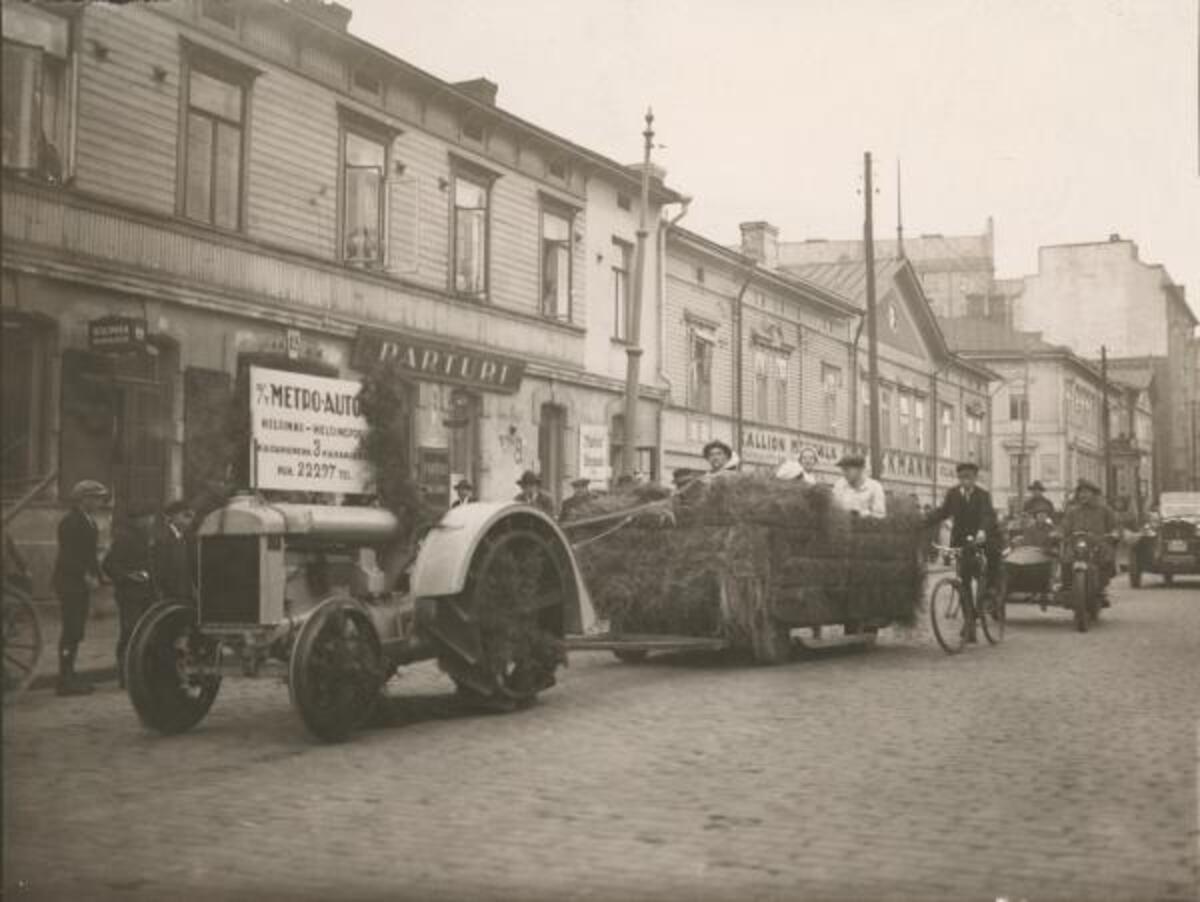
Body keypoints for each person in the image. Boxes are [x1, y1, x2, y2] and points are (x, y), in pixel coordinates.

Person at [924, 461, 1000, 642]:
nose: (966, 481)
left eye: (969, 478)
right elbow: (942, 513)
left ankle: (991, 590)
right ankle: (970, 622)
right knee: (963, 582)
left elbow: (987, 516)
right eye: (962, 478)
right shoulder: (953, 494)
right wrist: (922, 522)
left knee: (992, 557)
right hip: (961, 542)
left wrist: (982, 530)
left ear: (975, 478)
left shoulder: (983, 495)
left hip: (980, 538)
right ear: (958, 478)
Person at [52, 480, 109, 695]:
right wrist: (85, 575)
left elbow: (90, 555)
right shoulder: (70, 522)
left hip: (80, 582)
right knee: (71, 630)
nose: (98, 502)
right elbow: (69, 556)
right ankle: (64, 679)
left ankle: (69, 674)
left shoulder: (89, 522)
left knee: (76, 631)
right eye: (95, 498)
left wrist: (99, 577)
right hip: (69, 583)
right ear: (82, 499)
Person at [103, 505, 158, 688]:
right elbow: (109, 565)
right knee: (130, 632)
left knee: (146, 633)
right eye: (147, 518)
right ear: (137, 520)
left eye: (151, 518)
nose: (150, 522)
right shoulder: (124, 539)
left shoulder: (148, 538)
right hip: (130, 595)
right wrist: (128, 576)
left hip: (147, 594)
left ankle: (141, 673)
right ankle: (125, 675)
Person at [1059, 478, 1119, 593]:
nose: (1083, 495)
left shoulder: (1104, 510)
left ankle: (1102, 585)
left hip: (1097, 543)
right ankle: (1066, 586)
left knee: (1105, 558)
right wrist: (1059, 534)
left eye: (1086, 492)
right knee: (1066, 559)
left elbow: (1114, 526)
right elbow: (1065, 526)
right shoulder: (1073, 511)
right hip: (1076, 543)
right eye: (1081, 492)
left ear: (1093, 494)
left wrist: (1114, 534)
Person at [152, 500, 196, 602]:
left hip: (184, 594)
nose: (190, 521)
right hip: (170, 595)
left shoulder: (185, 538)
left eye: (191, 517)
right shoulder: (163, 538)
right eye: (186, 516)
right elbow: (159, 570)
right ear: (172, 516)